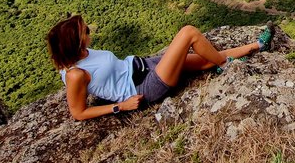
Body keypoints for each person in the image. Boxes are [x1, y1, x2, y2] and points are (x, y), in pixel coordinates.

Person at [46, 14, 275, 120]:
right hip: (144, 86)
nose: (90, 32)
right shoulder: (75, 75)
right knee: (189, 33)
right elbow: (78, 113)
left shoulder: (83, 54)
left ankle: (258, 45)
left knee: (207, 59)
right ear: (74, 44)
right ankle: (227, 66)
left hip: (144, 65)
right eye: (86, 32)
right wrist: (120, 107)